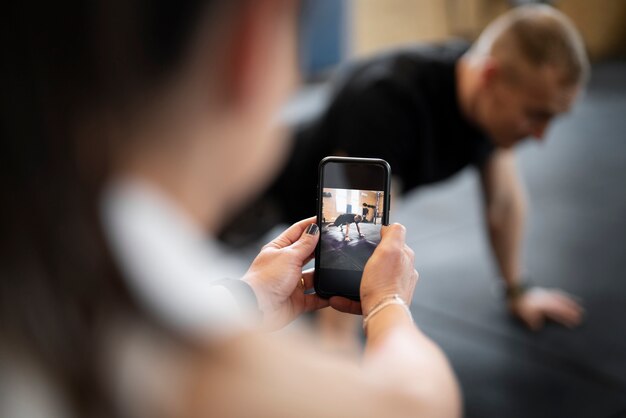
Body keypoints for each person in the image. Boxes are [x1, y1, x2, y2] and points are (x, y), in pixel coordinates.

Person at [0, 1, 460, 417]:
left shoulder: (46, 246)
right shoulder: (189, 365)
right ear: (252, 40)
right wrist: (387, 302)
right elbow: (419, 404)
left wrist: (249, 297)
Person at [238, 4, 589, 332]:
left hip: (320, 220)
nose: (542, 136)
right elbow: (347, 249)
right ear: (490, 76)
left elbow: (503, 203)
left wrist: (518, 290)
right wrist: (338, 349)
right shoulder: (388, 103)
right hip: (259, 190)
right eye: (536, 114)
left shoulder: (489, 102)